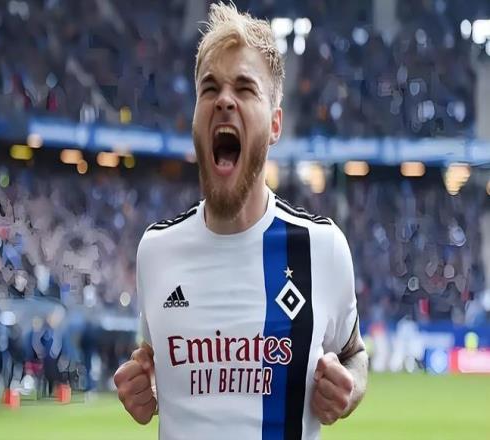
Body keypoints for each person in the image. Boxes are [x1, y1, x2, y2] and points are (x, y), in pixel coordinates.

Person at [114, 3, 368, 439]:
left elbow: (354, 353)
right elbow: (153, 361)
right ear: (195, 118)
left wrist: (350, 389)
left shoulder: (321, 248)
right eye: (209, 88)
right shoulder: (156, 251)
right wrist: (145, 388)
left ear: (275, 124)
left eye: (245, 88)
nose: (224, 99)